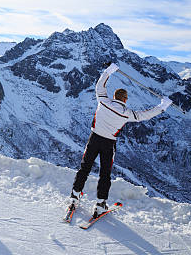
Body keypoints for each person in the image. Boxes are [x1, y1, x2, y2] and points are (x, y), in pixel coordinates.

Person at [68, 62, 172, 218]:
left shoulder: (103, 101)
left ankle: (75, 197)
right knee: (105, 174)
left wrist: (109, 71)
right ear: (125, 99)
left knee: (85, 168)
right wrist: (163, 105)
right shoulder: (126, 113)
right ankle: (100, 204)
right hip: (108, 144)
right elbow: (145, 115)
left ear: (115, 96)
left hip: (94, 139)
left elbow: (99, 86)